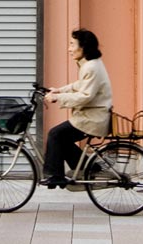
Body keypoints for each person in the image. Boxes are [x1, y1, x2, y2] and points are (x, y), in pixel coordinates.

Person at [41, 28, 113, 189]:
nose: (69, 49)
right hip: (91, 116)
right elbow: (80, 85)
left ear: (83, 47)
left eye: (72, 44)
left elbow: (85, 96)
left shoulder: (91, 67)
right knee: (62, 138)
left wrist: (58, 97)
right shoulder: (91, 64)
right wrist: (59, 90)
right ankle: (88, 169)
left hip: (93, 119)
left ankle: (55, 176)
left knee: (55, 134)